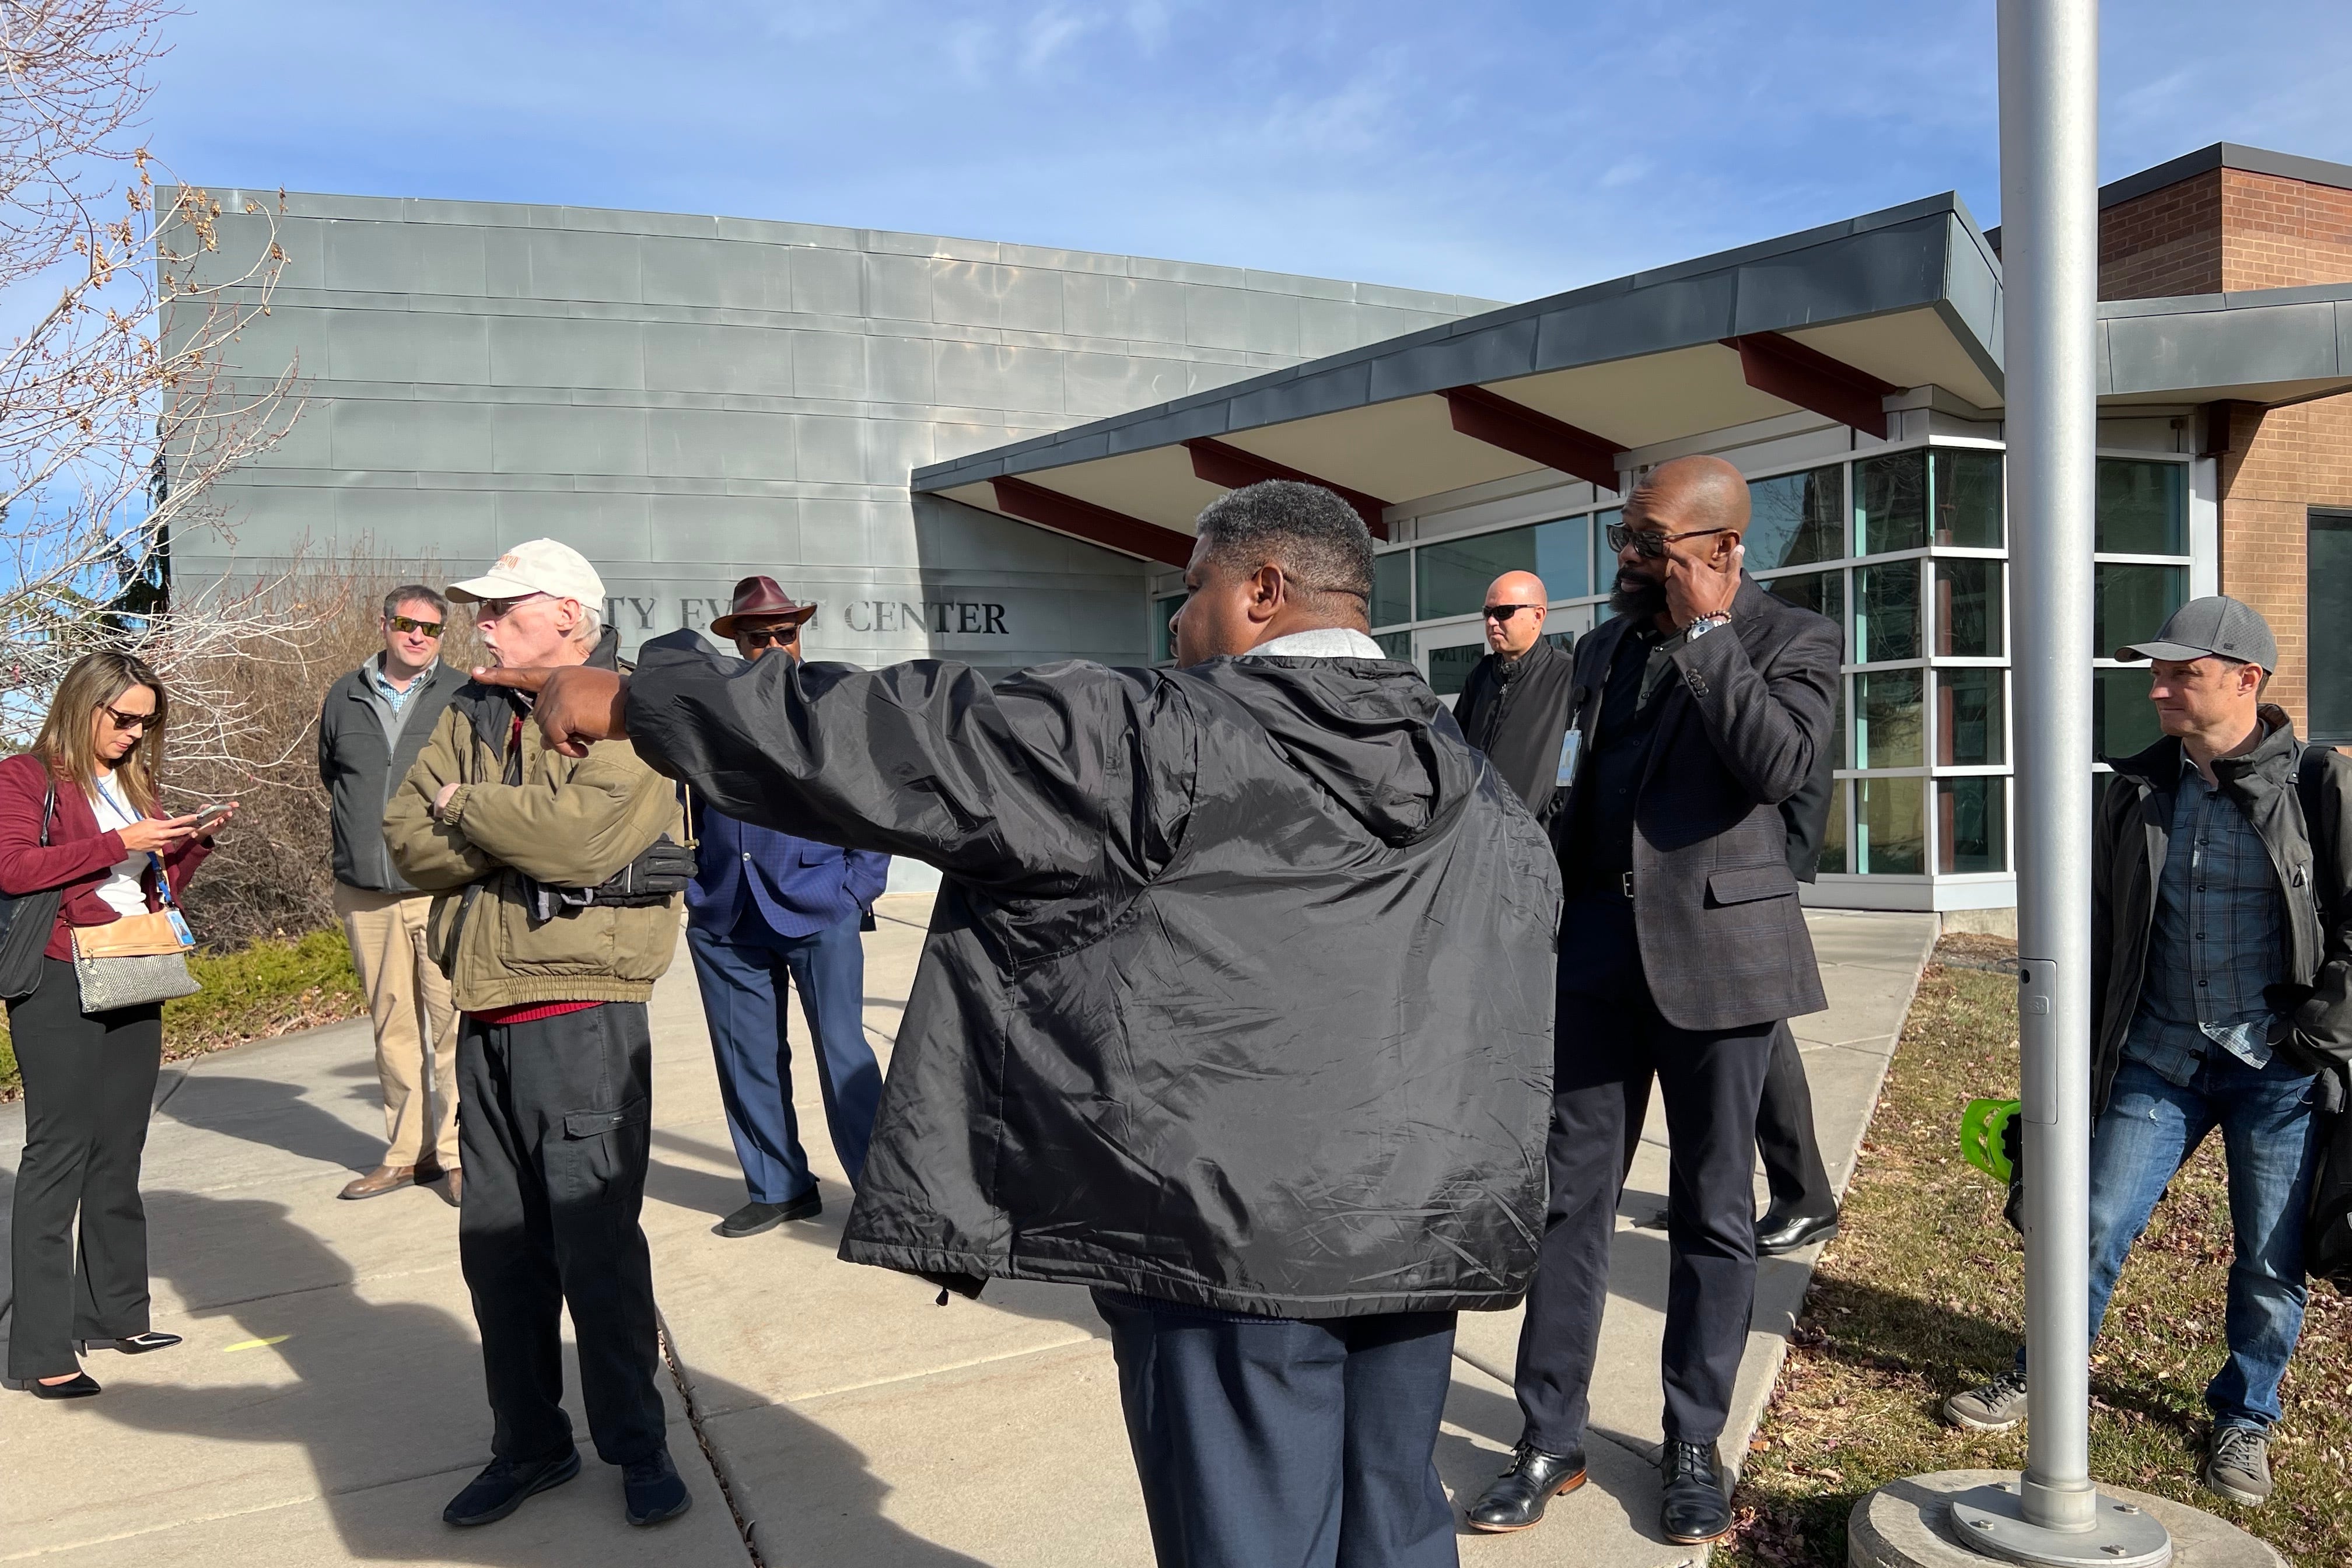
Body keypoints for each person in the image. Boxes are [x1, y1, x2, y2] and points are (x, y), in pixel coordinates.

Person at [490, 480, 1562, 1568]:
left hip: (1227, 1249)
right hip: (1415, 1236)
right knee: (1395, 1526)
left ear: (1262, 591)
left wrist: (648, 695)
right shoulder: (1475, 785)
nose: (1176, 623)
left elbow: (899, 738)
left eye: (1191, 590)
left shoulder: (1162, 731)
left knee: (1248, 1542)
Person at [1468, 455, 1839, 1546]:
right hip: (1596, 951)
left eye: (1648, 543)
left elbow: (1778, 766)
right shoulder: (1603, 647)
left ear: (1720, 550)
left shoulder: (1793, 639)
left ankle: (1691, 1442)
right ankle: (1549, 1437)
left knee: (1714, 1209)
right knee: (1567, 1200)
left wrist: (1710, 634)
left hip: (1720, 957)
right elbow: (1575, 788)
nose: (1625, 557)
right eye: (1624, 537)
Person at [1944, 597, 2350, 1510]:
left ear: (2246, 681)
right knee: (2087, 1220)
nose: (2159, 690)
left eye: (2182, 675)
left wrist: (2315, 1037)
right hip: (2159, 1056)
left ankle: (2247, 1416)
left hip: (2274, 1072)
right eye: (2157, 675)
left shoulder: (2319, 787)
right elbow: (2095, 926)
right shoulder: (2135, 790)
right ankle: (2043, 1376)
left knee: (2270, 1258)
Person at [380, 540, 693, 1531]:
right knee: (499, 1255)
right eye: (482, 609)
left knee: (597, 1251)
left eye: (501, 609)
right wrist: (509, 826)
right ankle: (530, 1445)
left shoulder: (632, 708)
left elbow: (582, 840)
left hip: (584, 1016)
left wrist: (466, 805)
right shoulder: (469, 710)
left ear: (567, 617)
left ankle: (637, 1445)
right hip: (486, 1017)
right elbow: (404, 838)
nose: (481, 625)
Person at [0, 652, 236, 1398]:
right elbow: (12, 869)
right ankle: (43, 1349)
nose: (135, 734)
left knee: (119, 1147)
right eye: (124, 718)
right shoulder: (24, 777)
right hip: (60, 972)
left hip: (136, 965)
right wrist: (120, 843)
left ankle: (116, 1313)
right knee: (58, 1153)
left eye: (146, 722)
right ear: (84, 704)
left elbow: (147, 887)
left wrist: (189, 843)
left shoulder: (134, 784)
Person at [687, 575, 890, 1239]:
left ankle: (884, 1197)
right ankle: (780, 1188)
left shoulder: (832, 702)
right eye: (759, 637)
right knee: (745, 1056)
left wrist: (858, 887)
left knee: (843, 1053)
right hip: (726, 910)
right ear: (737, 643)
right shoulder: (710, 711)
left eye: (786, 633)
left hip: (819, 903)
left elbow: (873, 797)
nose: (775, 646)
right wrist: (694, 881)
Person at [318, 586, 464, 1202]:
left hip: (439, 888)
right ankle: (408, 1154)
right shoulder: (343, 696)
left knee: (454, 1027)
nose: (417, 636)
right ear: (384, 624)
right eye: (406, 624)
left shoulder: (463, 694)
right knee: (393, 1029)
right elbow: (333, 777)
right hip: (366, 892)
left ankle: (459, 1156)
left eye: (431, 629)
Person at [1454, 570, 1576, 824]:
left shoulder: (1570, 676)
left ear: (1537, 616)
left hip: (1536, 838)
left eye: (1503, 612)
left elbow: (1584, 765)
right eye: (1487, 613)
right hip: (1476, 832)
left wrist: (1548, 828)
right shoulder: (1481, 677)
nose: (1491, 622)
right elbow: (1455, 751)